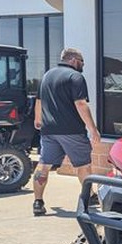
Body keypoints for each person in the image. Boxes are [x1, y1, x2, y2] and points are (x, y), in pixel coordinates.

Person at [32, 48, 100, 216]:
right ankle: (88, 198)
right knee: (83, 165)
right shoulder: (75, 77)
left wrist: (38, 120)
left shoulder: (47, 75)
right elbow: (81, 104)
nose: (83, 65)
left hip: (49, 131)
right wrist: (93, 129)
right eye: (82, 62)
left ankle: (38, 202)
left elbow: (39, 100)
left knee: (44, 165)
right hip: (72, 131)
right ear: (73, 60)